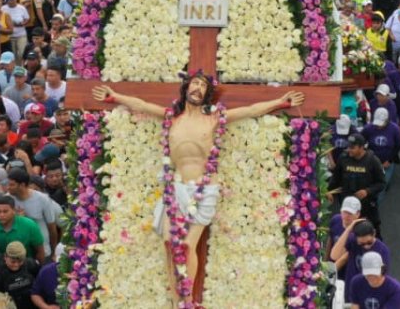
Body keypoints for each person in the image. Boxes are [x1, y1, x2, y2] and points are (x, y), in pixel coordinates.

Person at [90, 73, 303, 302]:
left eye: (203, 86)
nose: (198, 88)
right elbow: (142, 105)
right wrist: (115, 96)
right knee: (169, 243)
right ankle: (175, 302)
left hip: (204, 188)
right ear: (186, 87)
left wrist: (280, 101)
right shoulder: (171, 117)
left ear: (206, 94)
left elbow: (250, 110)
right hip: (176, 187)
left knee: (186, 246)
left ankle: (188, 301)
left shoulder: (214, 119)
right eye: (195, 83)